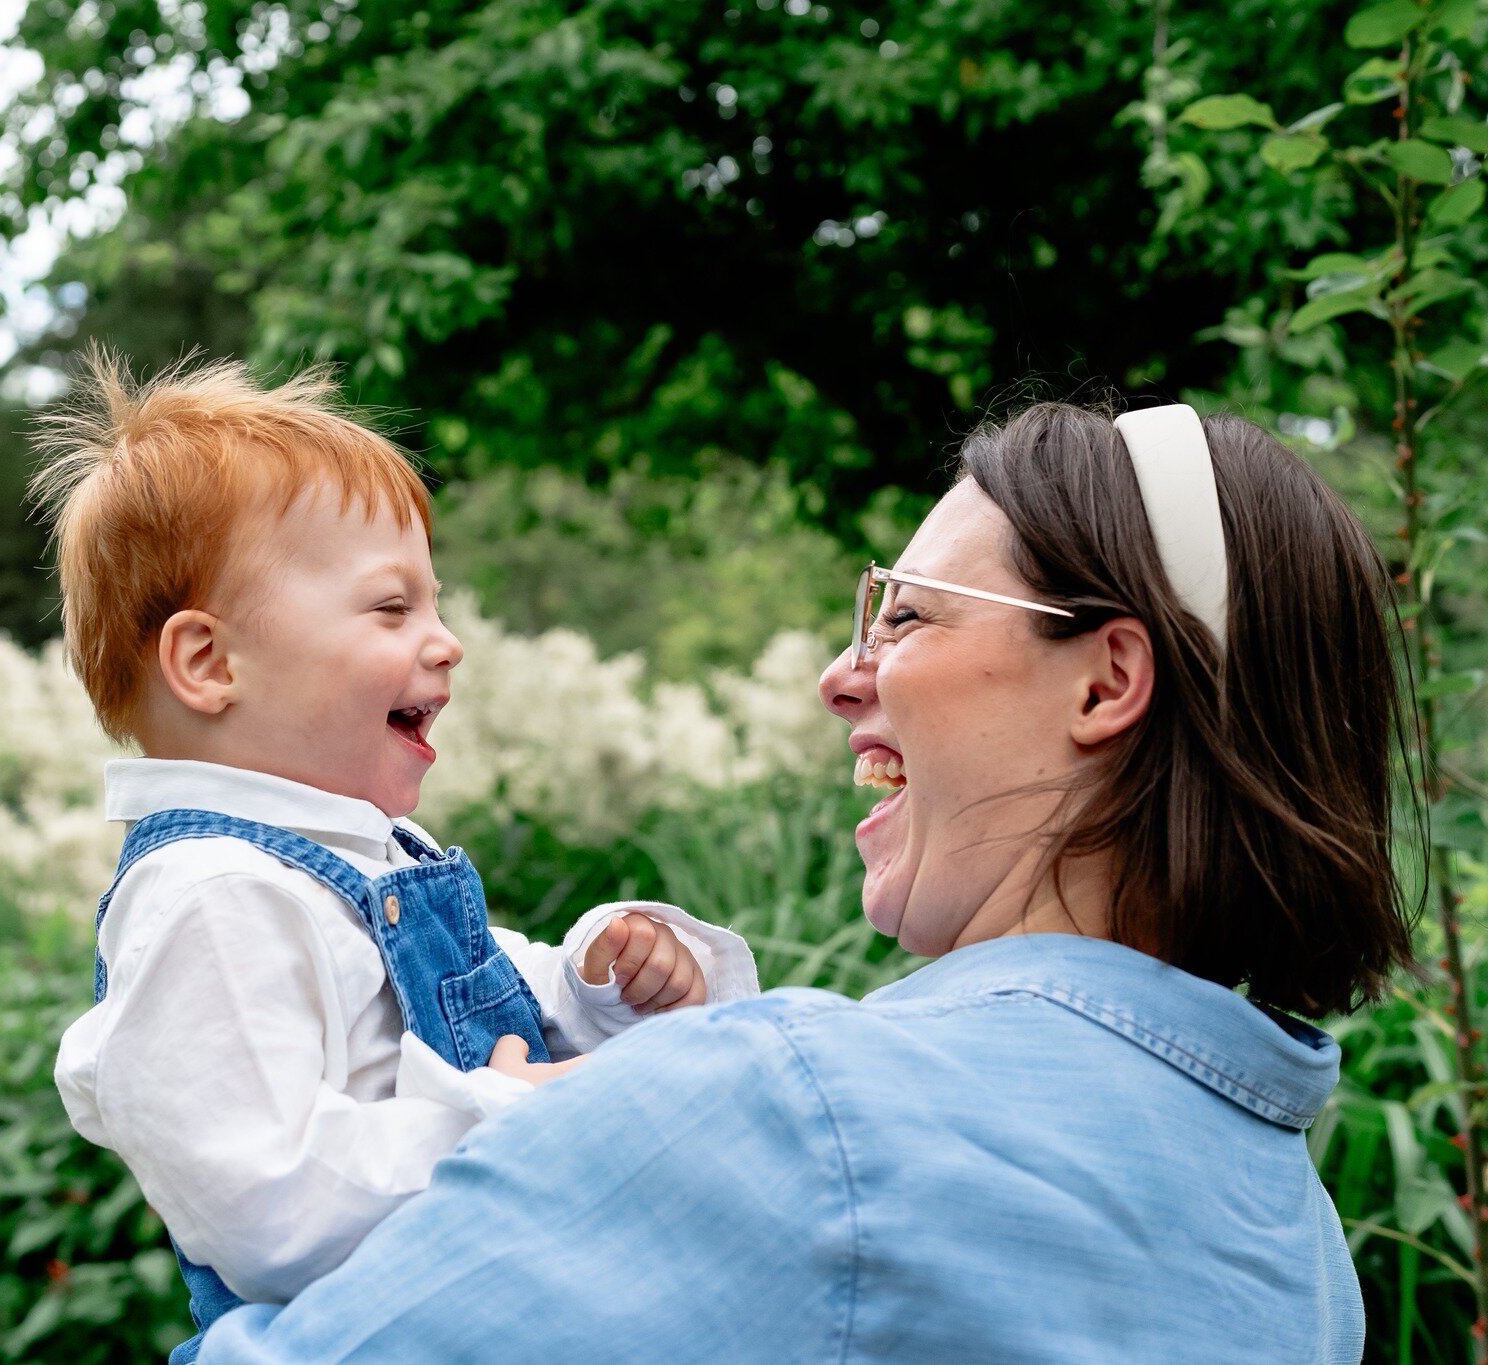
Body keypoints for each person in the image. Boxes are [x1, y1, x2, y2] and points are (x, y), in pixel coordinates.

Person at [192, 401, 1412, 1363]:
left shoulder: (793, 1111)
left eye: (909, 616)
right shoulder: (1302, 1257)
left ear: (1103, 685)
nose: (842, 673)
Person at [32, 347, 760, 1365]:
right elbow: (265, 1204)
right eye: (391, 607)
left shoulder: (362, 861)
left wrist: (601, 980)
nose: (446, 640)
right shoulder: (211, 897)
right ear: (209, 663)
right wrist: (497, 1121)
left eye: (436, 602)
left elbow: (485, 990)